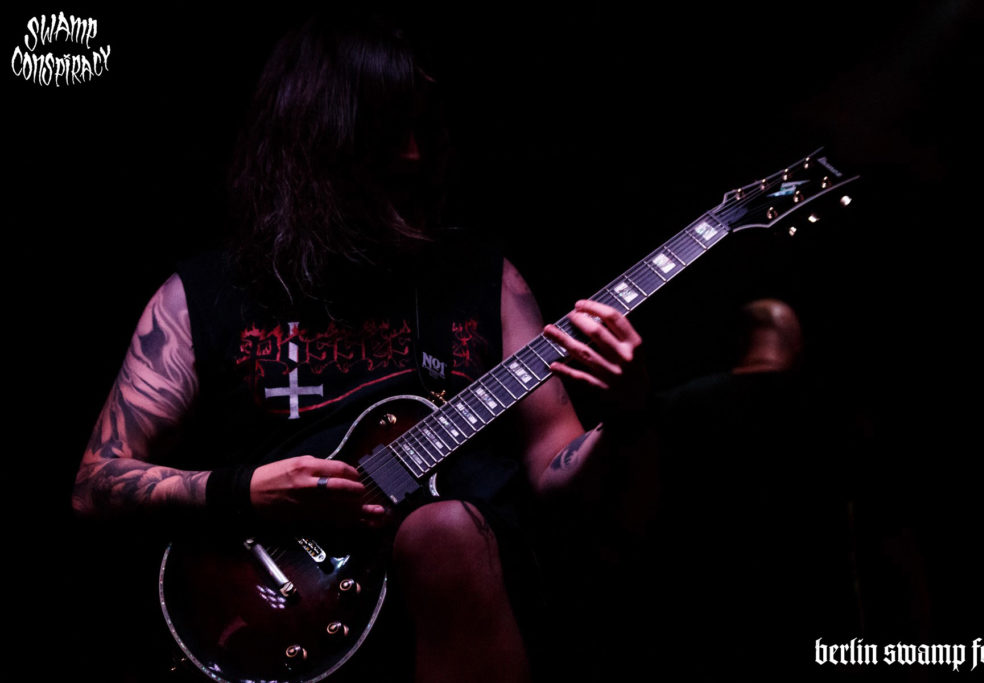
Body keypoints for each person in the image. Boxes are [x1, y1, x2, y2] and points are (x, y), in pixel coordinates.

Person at [71, 14, 650, 683]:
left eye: (419, 128)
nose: (414, 155)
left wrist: (629, 412)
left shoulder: (485, 280)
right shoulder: (198, 298)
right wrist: (248, 491)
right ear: (317, 139)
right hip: (278, 605)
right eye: (386, 131)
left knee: (445, 530)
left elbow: (555, 466)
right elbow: (95, 482)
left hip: (466, 595)